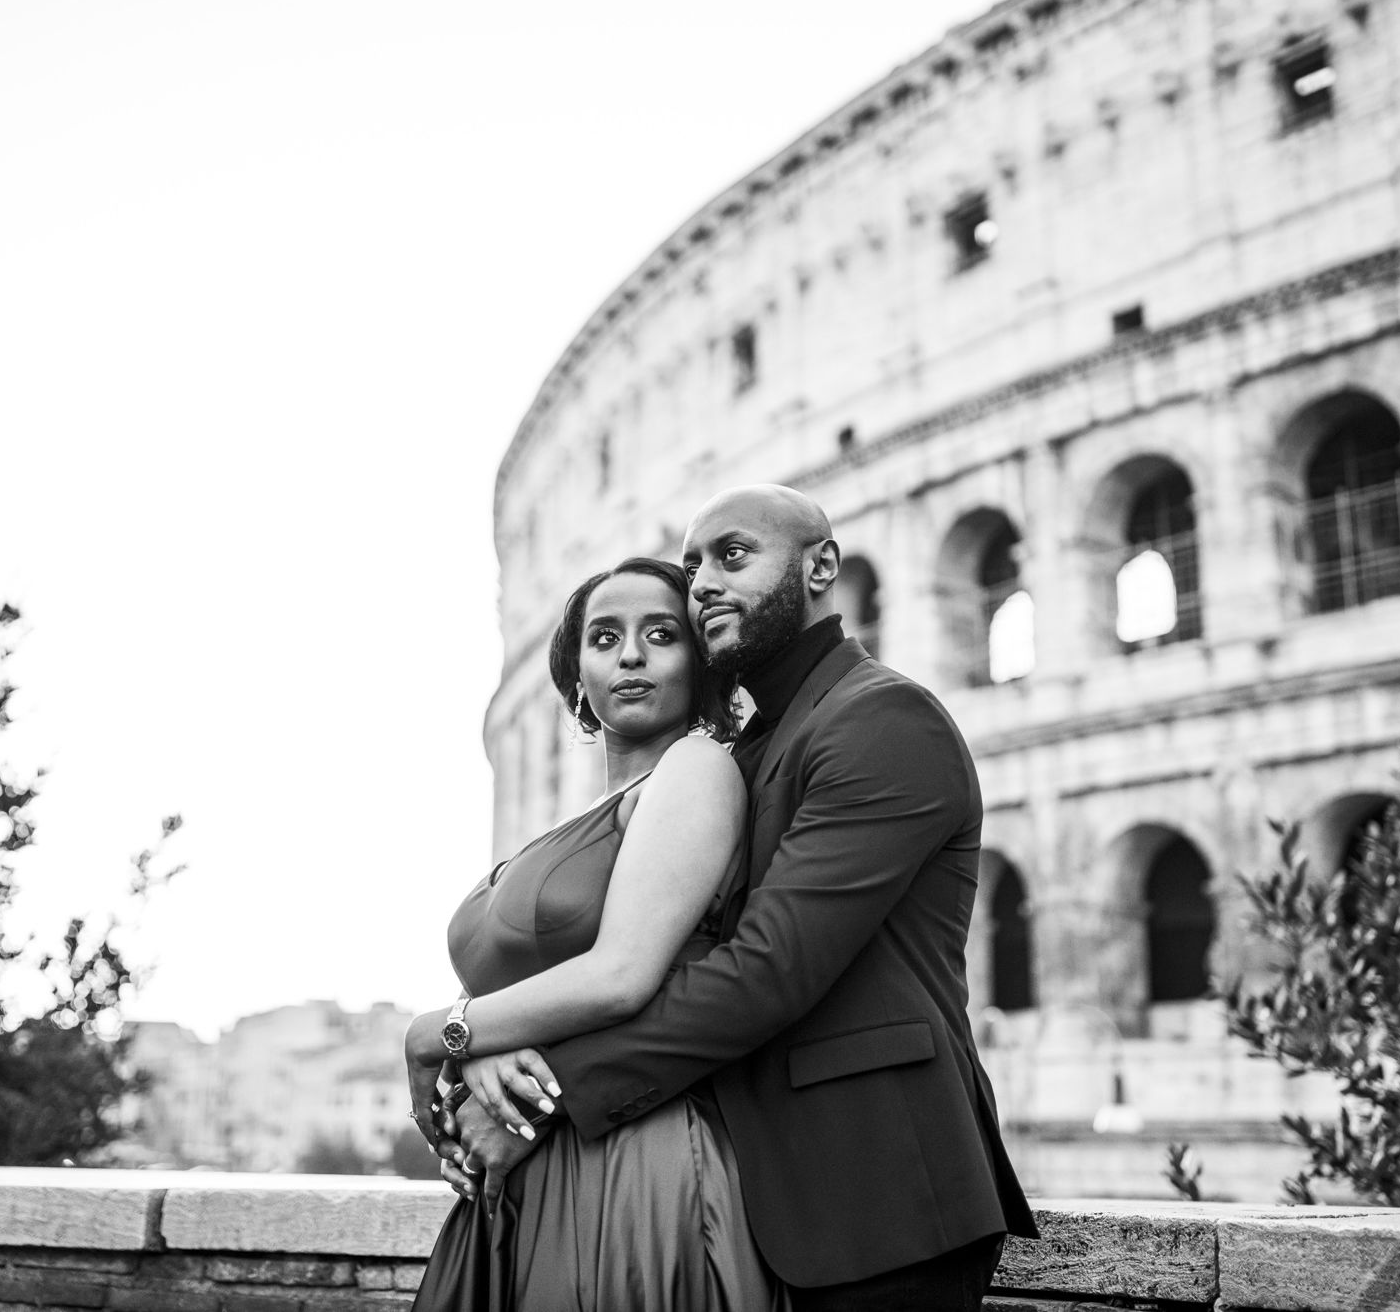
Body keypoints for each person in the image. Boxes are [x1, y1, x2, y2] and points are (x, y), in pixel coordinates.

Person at [439, 485, 1039, 1311]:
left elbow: (763, 970)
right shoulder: (753, 745)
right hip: (762, 1184)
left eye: (733, 555)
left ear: (821, 565)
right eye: (692, 567)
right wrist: (497, 1038)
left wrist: (538, 1091)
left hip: (881, 1189)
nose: (705, 584)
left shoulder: (882, 719)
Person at [404, 555, 789, 1311]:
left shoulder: (695, 767)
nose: (632, 655)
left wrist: (438, 1032)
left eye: (661, 634)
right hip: (540, 1156)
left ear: (702, 664)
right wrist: (484, 1042)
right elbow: (525, 981)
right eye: (605, 637)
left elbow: (622, 973)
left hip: (630, 1157)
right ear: (576, 674)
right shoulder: (584, 816)